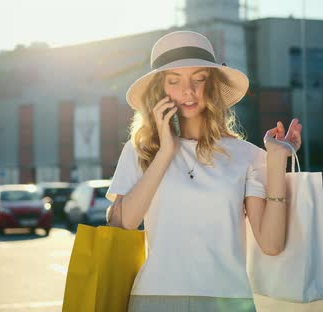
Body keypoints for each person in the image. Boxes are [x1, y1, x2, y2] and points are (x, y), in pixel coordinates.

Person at [105, 31, 302, 312]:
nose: (188, 90)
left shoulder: (247, 156)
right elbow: (122, 222)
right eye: (174, 81)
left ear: (212, 85)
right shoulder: (140, 150)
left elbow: (270, 244)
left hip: (228, 302)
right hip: (155, 299)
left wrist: (277, 160)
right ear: (160, 90)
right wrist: (164, 153)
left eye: (199, 79)